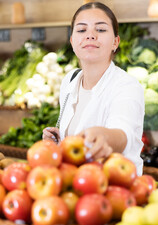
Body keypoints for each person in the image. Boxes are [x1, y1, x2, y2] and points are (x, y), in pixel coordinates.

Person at [42, 2, 145, 176]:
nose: (90, 35)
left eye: (101, 30)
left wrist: (104, 137)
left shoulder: (127, 86)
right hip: (77, 186)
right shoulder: (70, 80)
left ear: (115, 42)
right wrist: (60, 142)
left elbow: (123, 135)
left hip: (115, 188)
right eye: (81, 30)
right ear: (73, 42)